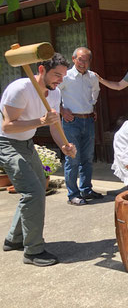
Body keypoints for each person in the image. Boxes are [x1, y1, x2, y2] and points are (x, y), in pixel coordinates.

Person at [0, 53, 77, 267]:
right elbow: (7, 126)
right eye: (56, 75)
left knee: (35, 191)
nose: (59, 80)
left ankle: (14, 239)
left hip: (27, 143)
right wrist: (40, 121)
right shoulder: (20, 89)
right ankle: (33, 251)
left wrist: (64, 145)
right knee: (33, 192)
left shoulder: (54, 93)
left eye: (63, 76)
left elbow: (54, 125)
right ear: (41, 70)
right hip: (6, 142)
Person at [58, 47, 103, 206]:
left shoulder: (92, 77)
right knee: (73, 158)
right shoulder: (66, 77)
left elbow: (94, 95)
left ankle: (86, 190)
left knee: (87, 158)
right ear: (73, 59)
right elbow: (52, 94)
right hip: (72, 122)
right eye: (80, 60)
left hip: (89, 120)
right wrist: (62, 110)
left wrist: (93, 108)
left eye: (86, 60)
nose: (83, 63)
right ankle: (73, 195)